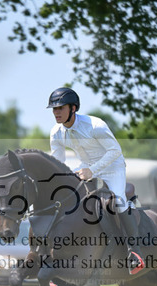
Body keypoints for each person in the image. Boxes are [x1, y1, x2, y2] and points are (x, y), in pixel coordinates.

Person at [47, 87, 145, 275]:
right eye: (54, 109)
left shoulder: (95, 125)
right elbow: (58, 162)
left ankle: (135, 252)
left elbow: (115, 151)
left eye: (60, 108)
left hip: (113, 167)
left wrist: (92, 171)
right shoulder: (56, 132)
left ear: (73, 108)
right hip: (86, 167)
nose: (56, 112)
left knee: (118, 201)